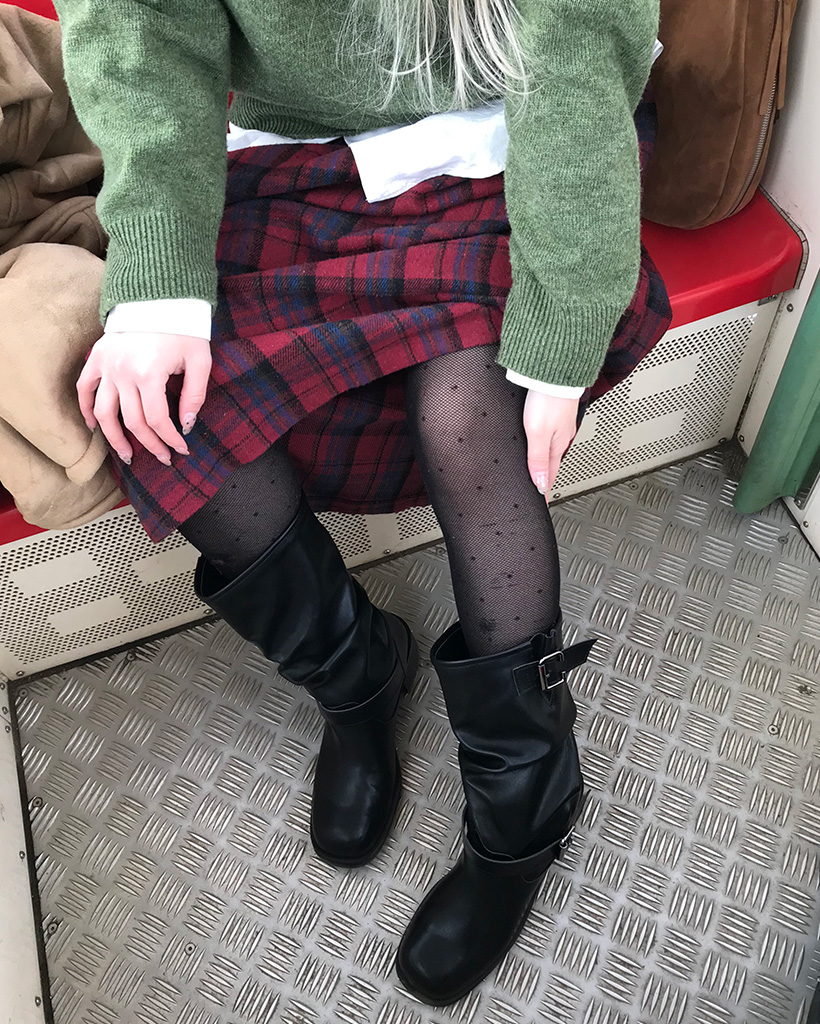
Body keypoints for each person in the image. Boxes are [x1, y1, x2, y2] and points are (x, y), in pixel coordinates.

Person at [53, 0, 671, 1006]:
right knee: (173, 422)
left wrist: (564, 323)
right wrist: (158, 280)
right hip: (289, 164)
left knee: (471, 417)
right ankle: (358, 676)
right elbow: (142, 25)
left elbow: (573, 65)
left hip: (511, 147)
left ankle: (527, 803)